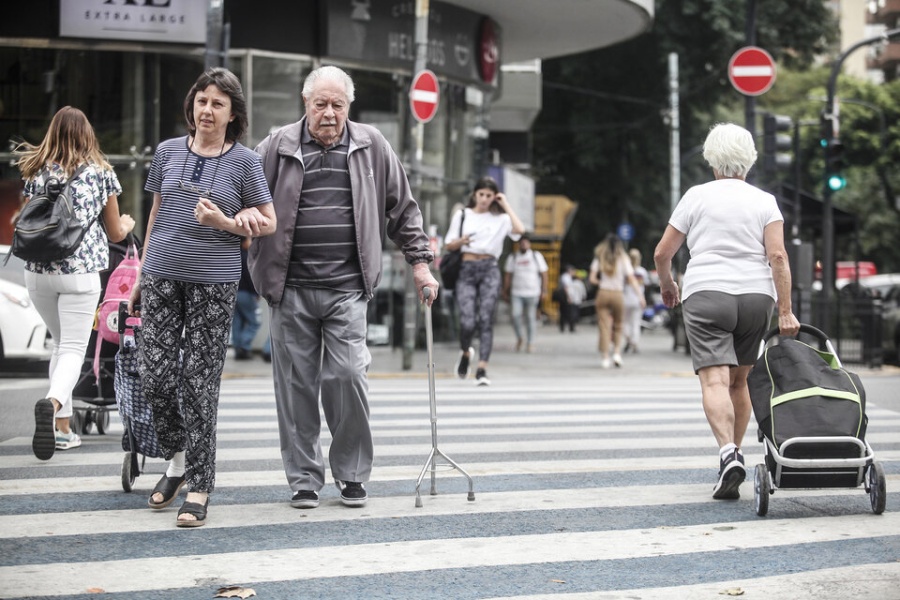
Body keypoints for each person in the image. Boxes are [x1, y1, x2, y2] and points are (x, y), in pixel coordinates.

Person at [248, 65, 438, 510]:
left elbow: (403, 210)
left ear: (348, 107)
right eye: (321, 104)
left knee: (349, 376)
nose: (329, 114)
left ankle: (351, 473)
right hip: (289, 287)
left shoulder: (372, 146)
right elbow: (241, 194)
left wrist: (421, 265)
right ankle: (303, 479)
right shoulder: (276, 146)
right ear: (305, 103)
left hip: (348, 288)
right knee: (295, 386)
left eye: (337, 105)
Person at [129, 67, 276, 527]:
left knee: (198, 382)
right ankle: (175, 460)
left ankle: (200, 482)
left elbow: (268, 221)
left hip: (213, 282)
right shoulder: (168, 151)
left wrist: (228, 224)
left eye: (217, 103)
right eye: (201, 101)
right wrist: (138, 273)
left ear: (233, 114)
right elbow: (155, 212)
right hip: (160, 275)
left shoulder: (245, 162)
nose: (206, 110)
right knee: (153, 375)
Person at [653, 122, 800, 500]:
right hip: (756, 297)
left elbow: (662, 253)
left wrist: (669, 286)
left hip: (706, 294)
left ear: (711, 160)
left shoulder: (696, 196)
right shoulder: (765, 200)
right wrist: (785, 311)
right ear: (748, 160)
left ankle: (727, 454)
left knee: (714, 381)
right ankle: (733, 455)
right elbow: (778, 256)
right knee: (740, 382)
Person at [16, 106, 136, 461]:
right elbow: (115, 231)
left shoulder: (36, 170)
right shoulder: (100, 174)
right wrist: (127, 225)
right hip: (80, 273)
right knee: (72, 348)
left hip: (37, 272)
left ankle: (63, 429)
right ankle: (52, 405)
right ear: (88, 135)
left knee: (59, 346)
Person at [444, 176, 525, 385]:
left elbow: (520, 230)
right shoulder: (463, 215)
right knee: (467, 320)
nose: (485, 199)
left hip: (490, 268)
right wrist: (461, 242)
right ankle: (465, 353)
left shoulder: (502, 218)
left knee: (486, 319)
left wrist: (505, 203)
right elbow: (448, 245)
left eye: (489, 196)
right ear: (475, 194)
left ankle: (482, 369)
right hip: (467, 269)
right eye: (481, 194)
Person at [589, 234, 645, 368]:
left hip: (603, 292)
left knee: (604, 326)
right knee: (619, 325)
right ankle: (617, 354)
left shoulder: (600, 258)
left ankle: (605, 357)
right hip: (618, 294)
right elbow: (631, 279)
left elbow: (592, 278)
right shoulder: (623, 258)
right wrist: (640, 296)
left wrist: (601, 282)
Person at [502, 232, 548, 352]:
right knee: (515, 316)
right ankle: (520, 337)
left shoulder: (536, 256)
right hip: (517, 292)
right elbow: (508, 275)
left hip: (532, 292)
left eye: (526, 242)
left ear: (529, 244)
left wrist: (544, 290)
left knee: (530, 317)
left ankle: (530, 343)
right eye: (521, 242)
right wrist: (505, 291)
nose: (523, 244)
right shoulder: (513, 257)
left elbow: (544, 274)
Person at [232, 237, 262, 360]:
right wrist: (257, 292)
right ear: (244, 242)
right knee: (255, 322)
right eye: (249, 240)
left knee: (237, 322)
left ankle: (237, 347)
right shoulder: (247, 257)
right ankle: (244, 346)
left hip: (235, 293)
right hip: (246, 294)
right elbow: (251, 278)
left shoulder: (234, 256)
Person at [622, 248, 649, 354]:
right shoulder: (642, 271)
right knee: (636, 322)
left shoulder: (626, 270)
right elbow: (645, 284)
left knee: (625, 322)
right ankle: (634, 343)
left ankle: (628, 339)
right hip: (638, 299)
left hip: (625, 299)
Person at [557, 264, 584, 333]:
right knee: (565, 312)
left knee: (568, 312)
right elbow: (566, 288)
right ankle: (564, 326)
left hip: (568, 296)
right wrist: (569, 297)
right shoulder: (566, 277)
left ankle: (568, 326)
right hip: (565, 296)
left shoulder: (569, 278)